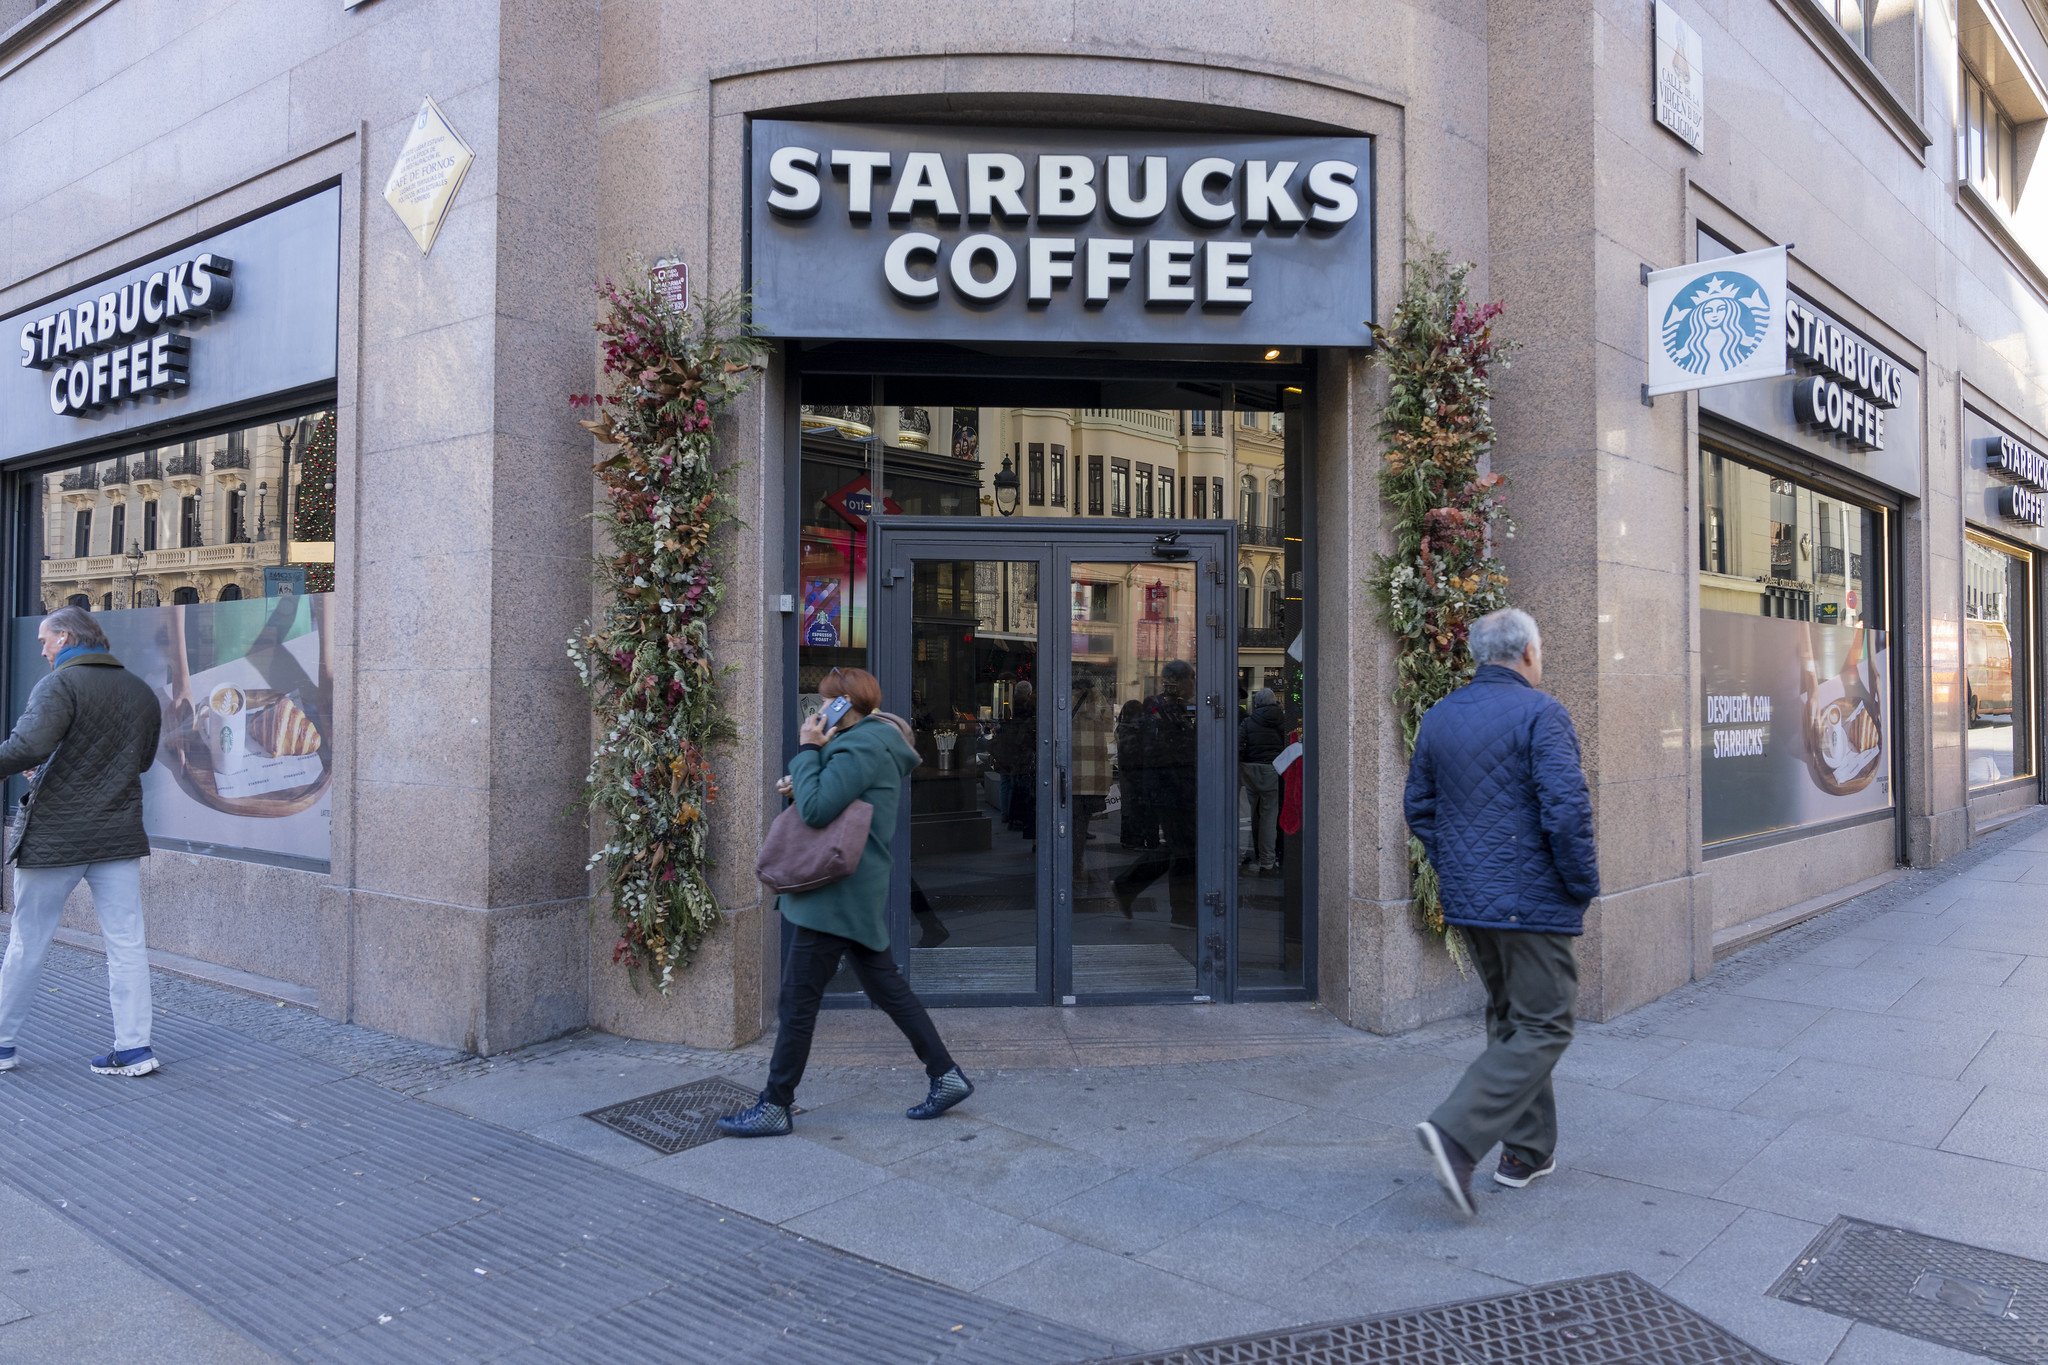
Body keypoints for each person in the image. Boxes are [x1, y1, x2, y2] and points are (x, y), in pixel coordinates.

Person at [720, 666, 971, 1137]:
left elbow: (817, 811)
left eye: (825, 702)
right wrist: (806, 775)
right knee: (886, 988)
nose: (818, 711)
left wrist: (809, 750)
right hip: (846, 888)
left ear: (844, 704)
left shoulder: (864, 745)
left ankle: (775, 1105)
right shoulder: (867, 742)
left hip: (834, 893)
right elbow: (825, 799)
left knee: (797, 1001)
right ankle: (946, 1075)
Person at [1404, 608, 1598, 1217]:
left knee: (1513, 1018)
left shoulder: (1441, 715)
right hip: (1532, 900)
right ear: (1529, 654)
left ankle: (1527, 1152)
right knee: (1546, 1023)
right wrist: (1581, 883)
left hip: (1472, 900)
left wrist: (1461, 869)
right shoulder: (1543, 713)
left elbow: (1421, 809)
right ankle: (1457, 1136)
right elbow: (1566, 811)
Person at [0, 606, 165, 1078]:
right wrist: (56, 768)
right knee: (127, 942)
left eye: (45, 640)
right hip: (116, 834)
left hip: (56, 834)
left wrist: (43, 768)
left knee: (28, 941)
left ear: (68, 636)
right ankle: (135, 1049)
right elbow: (140, 760)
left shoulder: (59, 685)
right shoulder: (139, 689)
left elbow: (27, 747)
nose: (42, 648)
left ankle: (3, 1044)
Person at [1112, 660, 1199, 926]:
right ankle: (1183, 913)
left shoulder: (1172, 709)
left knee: (1178, 847)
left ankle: (1129, 886)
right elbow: (1161, 753)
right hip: (1171, 790)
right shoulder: (1161, 710)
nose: (1193, 684)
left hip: (1175, 789)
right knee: (1184, 849)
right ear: (1180, 681)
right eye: (1191, 679)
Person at [1238, 687, 1286, 873]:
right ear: (1274, 702)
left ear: (1256, 703)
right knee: (1268, 817)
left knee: (1246, 813)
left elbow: (1239, 743)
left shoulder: (1248, 721)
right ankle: (1267, 860)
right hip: (1271, 770)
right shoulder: (1282, 720)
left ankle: (1239, 855)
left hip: (1249, 769)